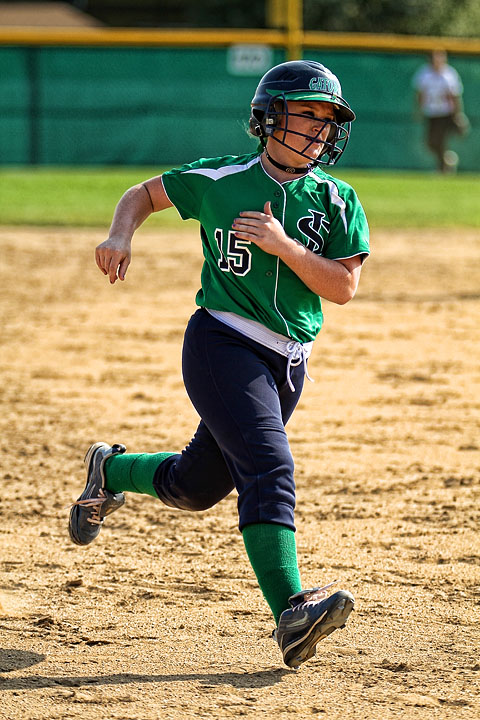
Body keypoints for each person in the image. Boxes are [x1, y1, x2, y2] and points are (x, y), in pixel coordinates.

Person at [68, 60, 370, 670]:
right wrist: (120, 236)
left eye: (327, 119)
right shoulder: (220, 178)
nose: (317, 129)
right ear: (267, 119)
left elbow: (341, 287)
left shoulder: (338, 199)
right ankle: (292, 612)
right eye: (305, 114)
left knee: (198, 484)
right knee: (268, 464)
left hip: (287, 362)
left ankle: (111, 471)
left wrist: (284, 246)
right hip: (221, 342)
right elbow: (141, 195)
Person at [412, 49, 468, 173]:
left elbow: (455, 96)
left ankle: (443, 167)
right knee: (431, 143)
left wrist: (458, 114)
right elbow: (420, 94)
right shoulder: (424, 73)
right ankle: (448, 159)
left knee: (440, 140)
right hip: (432, 113)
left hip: (445, 113)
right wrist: (419, 110)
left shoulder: (449, 74)